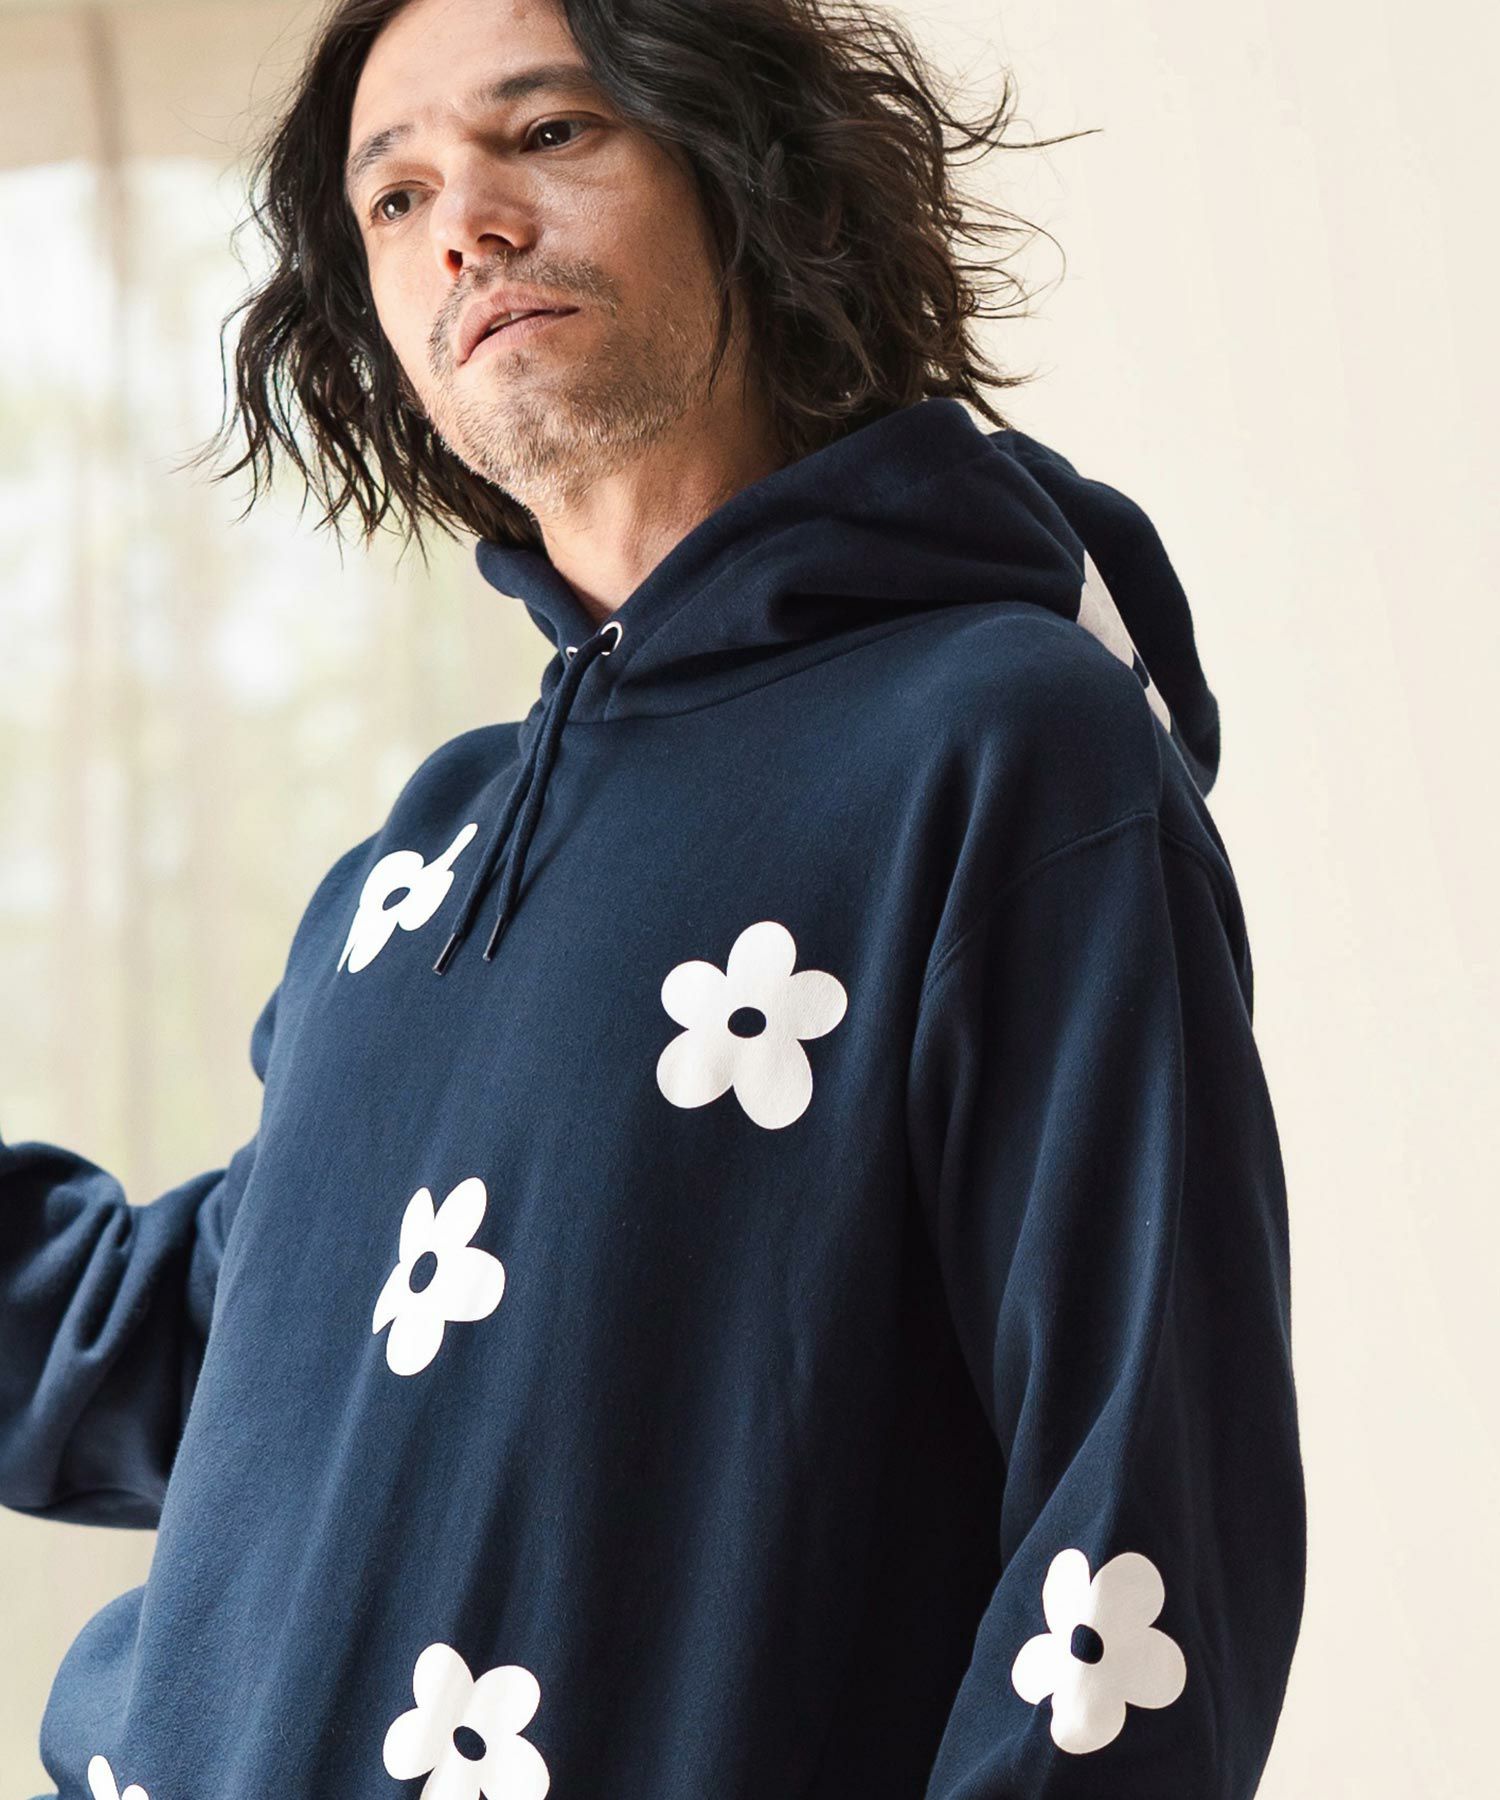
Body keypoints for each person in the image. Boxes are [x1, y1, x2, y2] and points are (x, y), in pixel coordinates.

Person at [0, 0, 1306, 1794]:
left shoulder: (1006, 749)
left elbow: (1142, 1528)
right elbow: (206, 1351)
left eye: (547, 134)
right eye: (395, 197)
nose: (466, 227)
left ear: (757, 180)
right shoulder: (415, 871)